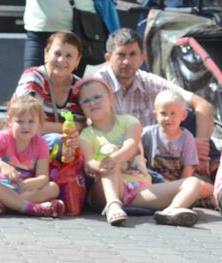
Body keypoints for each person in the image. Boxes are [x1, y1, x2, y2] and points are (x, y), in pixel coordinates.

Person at [76, 78, 204, 227]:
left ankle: (171, 211)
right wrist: (100, 165)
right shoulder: (86, 134)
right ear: (81, 107)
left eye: (97, 97)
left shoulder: (129, 122)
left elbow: (130, 145)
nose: (92, 102)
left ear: (111, 98)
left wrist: (115, 157)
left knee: (194, 183)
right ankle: (113, 205)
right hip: (105, 190)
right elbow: (89, 163)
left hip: (140, 190)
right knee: (108, 150)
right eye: (86, 100)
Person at [94, 28, 216, 177]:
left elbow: (203, 105)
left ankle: (211, 175)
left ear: (142, 57)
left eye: (133, 54)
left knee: (186, 114)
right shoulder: (98, 86)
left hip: (165, 152)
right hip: (125, 155)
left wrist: (199, 146)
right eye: (121, 55)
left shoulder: (149, 81)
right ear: (108, 58)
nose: (127, 61)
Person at [0, 95, 65, 217]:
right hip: (0, 186)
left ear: (40, 123)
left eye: (31, 121)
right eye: (20, 121)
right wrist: (2, 166)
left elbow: (43, 176)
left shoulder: (41, 144)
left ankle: (7, 205)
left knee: (53, 188)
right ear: (10, 121)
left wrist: (35, 182)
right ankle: (31, 208)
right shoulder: (4, 137)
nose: (26, 126)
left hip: (23, 190)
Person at [14, 31, 85, 134]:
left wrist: (80, 127)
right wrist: (73, 127)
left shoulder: (80, 87)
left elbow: (90, 126)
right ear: (46, 54)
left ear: (77, 61)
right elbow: (29, 125)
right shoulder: (33, 77)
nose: (61, 60)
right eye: (57, 53)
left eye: (69, 56)